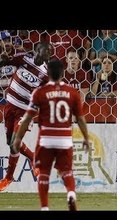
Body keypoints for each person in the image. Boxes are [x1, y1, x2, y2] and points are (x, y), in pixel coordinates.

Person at [12, 59, 90, 211]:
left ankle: (45, 207)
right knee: (67, 171)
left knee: (44, 173)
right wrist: (86, 138)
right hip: (65, 138)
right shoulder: (72, 92)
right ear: (62, 74)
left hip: (46, 138)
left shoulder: (40, 92)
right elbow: (80, 118)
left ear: (48, 74)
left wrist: (18, 139)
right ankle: (71, 193)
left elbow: (27, 118)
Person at [0, 42, 52, 192]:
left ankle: (9, 177)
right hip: (9, 105)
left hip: (25, 110)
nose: (48, 54)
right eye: (46, 51)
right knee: (11, 143)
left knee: (15, 143)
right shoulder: (24, 58)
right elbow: (6, 62)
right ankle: (31, 159)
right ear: (37, 51)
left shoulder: (45, 74)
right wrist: (4, 59)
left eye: (50, 52)